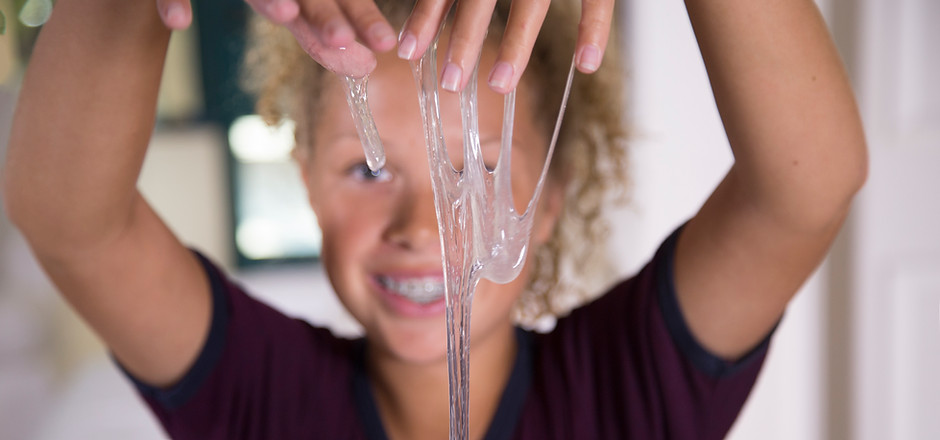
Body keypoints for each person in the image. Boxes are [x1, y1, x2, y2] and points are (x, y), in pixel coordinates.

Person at [2, 0, 867, 438]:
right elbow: (71, 221)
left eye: (482, 168)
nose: (426, 225)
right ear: (303, 177)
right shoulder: (261, 396)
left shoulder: (627, 388)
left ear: (555, 192)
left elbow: (806, 188)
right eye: (367, 166)